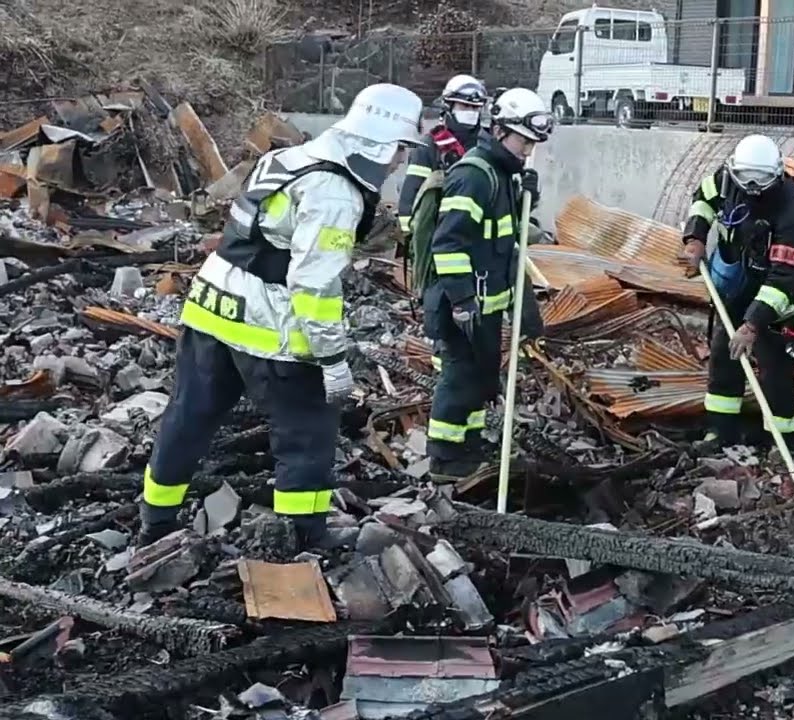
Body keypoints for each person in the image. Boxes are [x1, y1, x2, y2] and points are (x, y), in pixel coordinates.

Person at [138, 84, 425, 548]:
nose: (399, 163)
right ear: (381, 143)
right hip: (268, 324)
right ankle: (304, 536)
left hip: (212, 309)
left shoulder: (292, 159)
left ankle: (155, 522)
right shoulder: (336, 193)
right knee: (308, 430)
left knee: (188, 417)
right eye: (400, 150)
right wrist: (331, 360)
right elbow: (313, 288)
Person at [422, 87, 553, 479]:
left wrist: (526, 196)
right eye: (523, 141)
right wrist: (462, 300)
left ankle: (470, 448)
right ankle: (445, 457)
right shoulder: (474, 177)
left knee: (481, 379)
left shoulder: (502, 175)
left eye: (533, 144)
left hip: (488, 305)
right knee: (460, 379)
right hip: (464, 306)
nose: (528, 151)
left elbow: (504, 243)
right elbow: (447, 243)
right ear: (499, 131)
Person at [681, 134, 794, 447]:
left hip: (781, 295)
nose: (753, 191)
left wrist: (753, 324)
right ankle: (721, 430)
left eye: (760, 184)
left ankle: (781, 440)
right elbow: (703, 200)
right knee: (723, 353)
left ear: (776, 175)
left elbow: (785, 277)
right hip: (740, 281)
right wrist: (695, 238)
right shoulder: (727, 178)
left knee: (774, 365)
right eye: (746, 183)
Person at [396, 74, 490, 233]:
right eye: (464, 107)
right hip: (439, 232)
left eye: (475, 108)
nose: (471, 112)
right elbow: (410, 195)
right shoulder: (429, 146)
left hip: (479, 236)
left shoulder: (487, 146)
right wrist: (411, 240)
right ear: (449, 107)